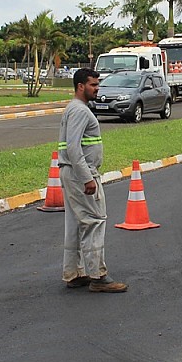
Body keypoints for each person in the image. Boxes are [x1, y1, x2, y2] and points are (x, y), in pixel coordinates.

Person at [58, 68, 127, 293]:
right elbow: (73, 147)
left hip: (72, 173)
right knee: (94, 220)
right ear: (81, 86)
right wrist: (87, 178)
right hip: (81, 174)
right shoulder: (79, 111)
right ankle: (98, 276)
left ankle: (75, 273)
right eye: (93, 85)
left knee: (76, 223)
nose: (97, 89)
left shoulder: (76, 108)